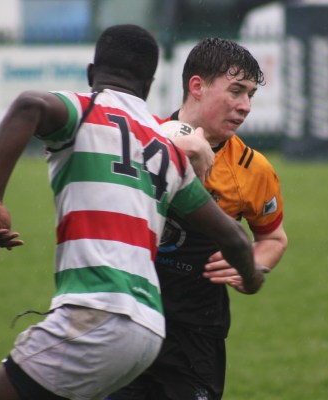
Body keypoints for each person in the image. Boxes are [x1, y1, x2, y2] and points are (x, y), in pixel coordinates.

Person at [0, 26, 265, 400]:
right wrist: (252, 279)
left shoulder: (84, 110)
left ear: (91, 73)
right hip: (148, 330)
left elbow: (28, 105)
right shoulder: (165, 147)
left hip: (95, 311)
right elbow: (236, 239)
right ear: (149, 85)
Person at [109, 38, 288, 399]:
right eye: (236, 91)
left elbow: (273, 238)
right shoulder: (138, 141)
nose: (245, 106)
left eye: (250, 95)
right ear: (197, 86)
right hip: (125, 315)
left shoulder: (253, 169)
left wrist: (252, 264)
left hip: (196, 333)